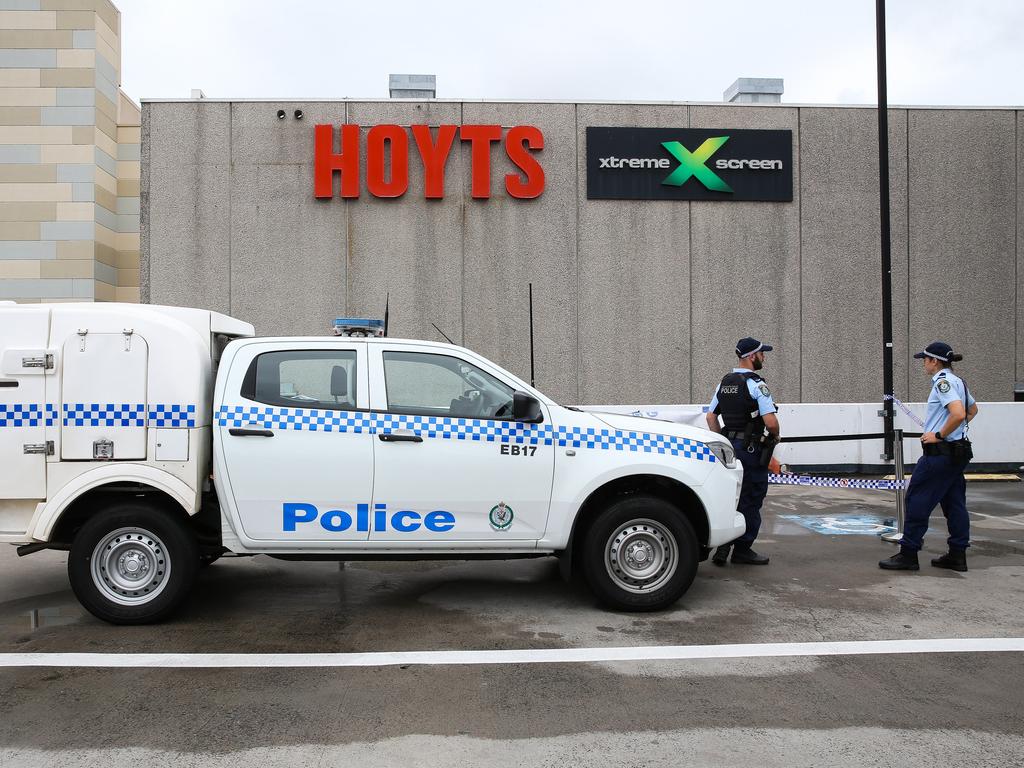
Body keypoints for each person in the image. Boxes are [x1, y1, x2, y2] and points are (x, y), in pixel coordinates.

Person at [879, 341, 978, 573]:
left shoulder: (942, 383)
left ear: (935, 361)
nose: (924, 364)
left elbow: (958, 413)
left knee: (916, 500)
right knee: (955, 504)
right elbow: (972, 411)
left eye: (925, 359)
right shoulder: (958, 382)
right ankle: (957, 554)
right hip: (957, 452)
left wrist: (939, 434)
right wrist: (953, 431)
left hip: (939, 455)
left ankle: (909, 554)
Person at [705, 337, 780, 565]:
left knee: (730, 497)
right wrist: (775, 437)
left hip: (730, 448)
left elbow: (711, 417)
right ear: (750, 356)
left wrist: (722, 440)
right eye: (761, 354)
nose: (763, 357)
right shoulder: (756, 385)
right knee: (751, 497)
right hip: (751, 450)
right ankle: (742, 549)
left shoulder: (724, 383)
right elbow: (771, 422)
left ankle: (722, 547)